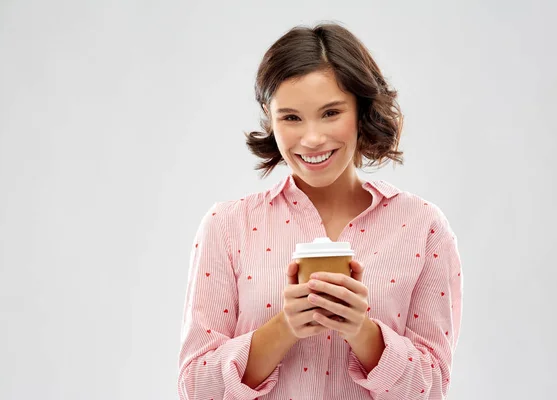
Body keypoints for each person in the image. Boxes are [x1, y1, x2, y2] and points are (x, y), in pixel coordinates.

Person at [177, 22, 463, 400]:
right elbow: (195, 388)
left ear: (361, 110)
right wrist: (285, 327)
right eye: (291, 117)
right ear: (270, 117)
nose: (312, 138)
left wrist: (361, 330)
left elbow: (431, 388)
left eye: (330, 113)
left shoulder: (423, 227)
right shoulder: (228, 226)